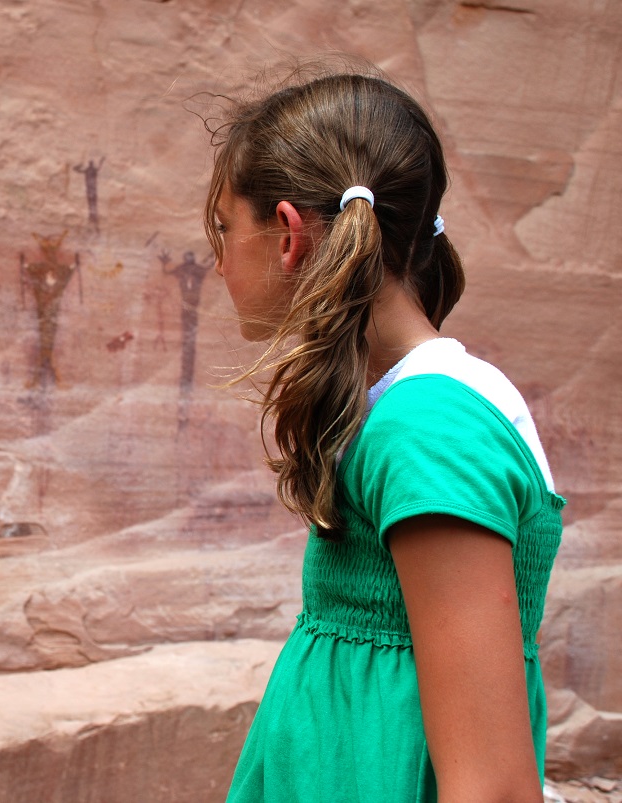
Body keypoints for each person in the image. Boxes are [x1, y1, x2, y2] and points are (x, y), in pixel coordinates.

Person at [204, 70, 564, 802]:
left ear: (286, 236)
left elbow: (490, 787)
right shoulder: (401, 409)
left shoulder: (431, 430)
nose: (216, 260)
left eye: (222, 228)